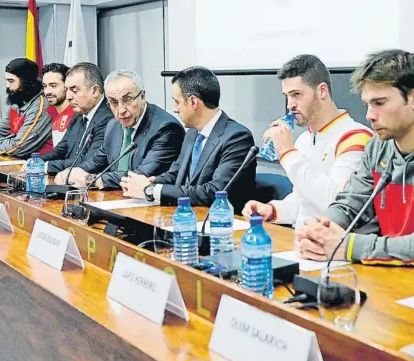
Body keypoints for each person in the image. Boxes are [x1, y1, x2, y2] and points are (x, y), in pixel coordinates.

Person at [297, 49, 414, 265]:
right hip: (391, 277)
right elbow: (350, 203)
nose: (369, 115)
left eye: (379, 103)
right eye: (367, 104)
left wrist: (349, 246)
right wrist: (320, 232)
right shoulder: (377, 148)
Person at [242, 54, 373, 228]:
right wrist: (273, 210)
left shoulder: (356, 137)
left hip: (334, 247)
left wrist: (288, 153)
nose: (290, 104)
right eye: (287, 96)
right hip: (303, 243)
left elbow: (335, 203)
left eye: (296, 94)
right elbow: (303, 201)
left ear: (322, 91)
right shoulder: (304, 139)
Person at [120, 66, 256, 212]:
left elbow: (215, 192)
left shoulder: (237, 138)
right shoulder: (192, 133)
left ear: (193, 102)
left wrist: (152, 190)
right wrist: (148, 182)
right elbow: (175, 173)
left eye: (177, 102)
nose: (175, 109)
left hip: (220, 224)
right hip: (187, 216)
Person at [58, 69, 185, 188]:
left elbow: (140, 176)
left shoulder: (166, 128)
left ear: (143, 96)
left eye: (127, 99)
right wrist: (71, 173)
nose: (121, 110)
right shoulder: (113, 125)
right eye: (113, 102)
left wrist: (91, 179)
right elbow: (96, 162)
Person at [40, 62, 113, 175]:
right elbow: (62, 149)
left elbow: (89, 162)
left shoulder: (108, 119)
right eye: (67, 90)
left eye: (74, 90)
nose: (68, 97)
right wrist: (37, 161)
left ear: (95, 91)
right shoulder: (79, 114)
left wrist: (46, 167)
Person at [0, 58, 53, 158]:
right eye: (6, 80)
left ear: (26, 82)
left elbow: (18, 147)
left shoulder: (41, 106)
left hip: (40, 167)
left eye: (11, 81)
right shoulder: (18, 101)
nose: (7, 86)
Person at [42, 63, 74, 146]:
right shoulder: (51, 113)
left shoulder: (77, 115)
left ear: (67, 86)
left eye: (53, 86)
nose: (47, 92)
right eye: (45, 86)